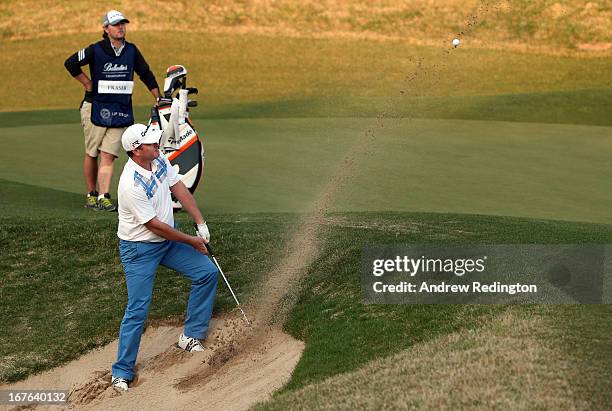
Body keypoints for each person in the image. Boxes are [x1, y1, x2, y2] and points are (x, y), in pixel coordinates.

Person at [110, 123, 218, 392]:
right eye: (151, 143)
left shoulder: (159, 160)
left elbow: (179, 188)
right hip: (139, 250)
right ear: (136, 151)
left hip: (166, 242)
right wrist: (192, 241)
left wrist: (200, 222)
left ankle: (190, 335)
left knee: (207, 272)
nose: (157, 144)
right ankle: (122, 371)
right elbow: (155, 226)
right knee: (138, 309)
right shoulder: (129, 185)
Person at [64, 10, 161, 211]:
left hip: (120, 109)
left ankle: (103, 196)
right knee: (92, 153)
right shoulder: (95, 49)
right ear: (106, 29)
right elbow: (71, 63)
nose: (120, 27)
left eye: (122, 24)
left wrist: (158, 97)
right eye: (116, 24)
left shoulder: (132, 50)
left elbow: (145, 73)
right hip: (95, 106)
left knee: (108, 154)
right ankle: (91, 193)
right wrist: (87, 83)